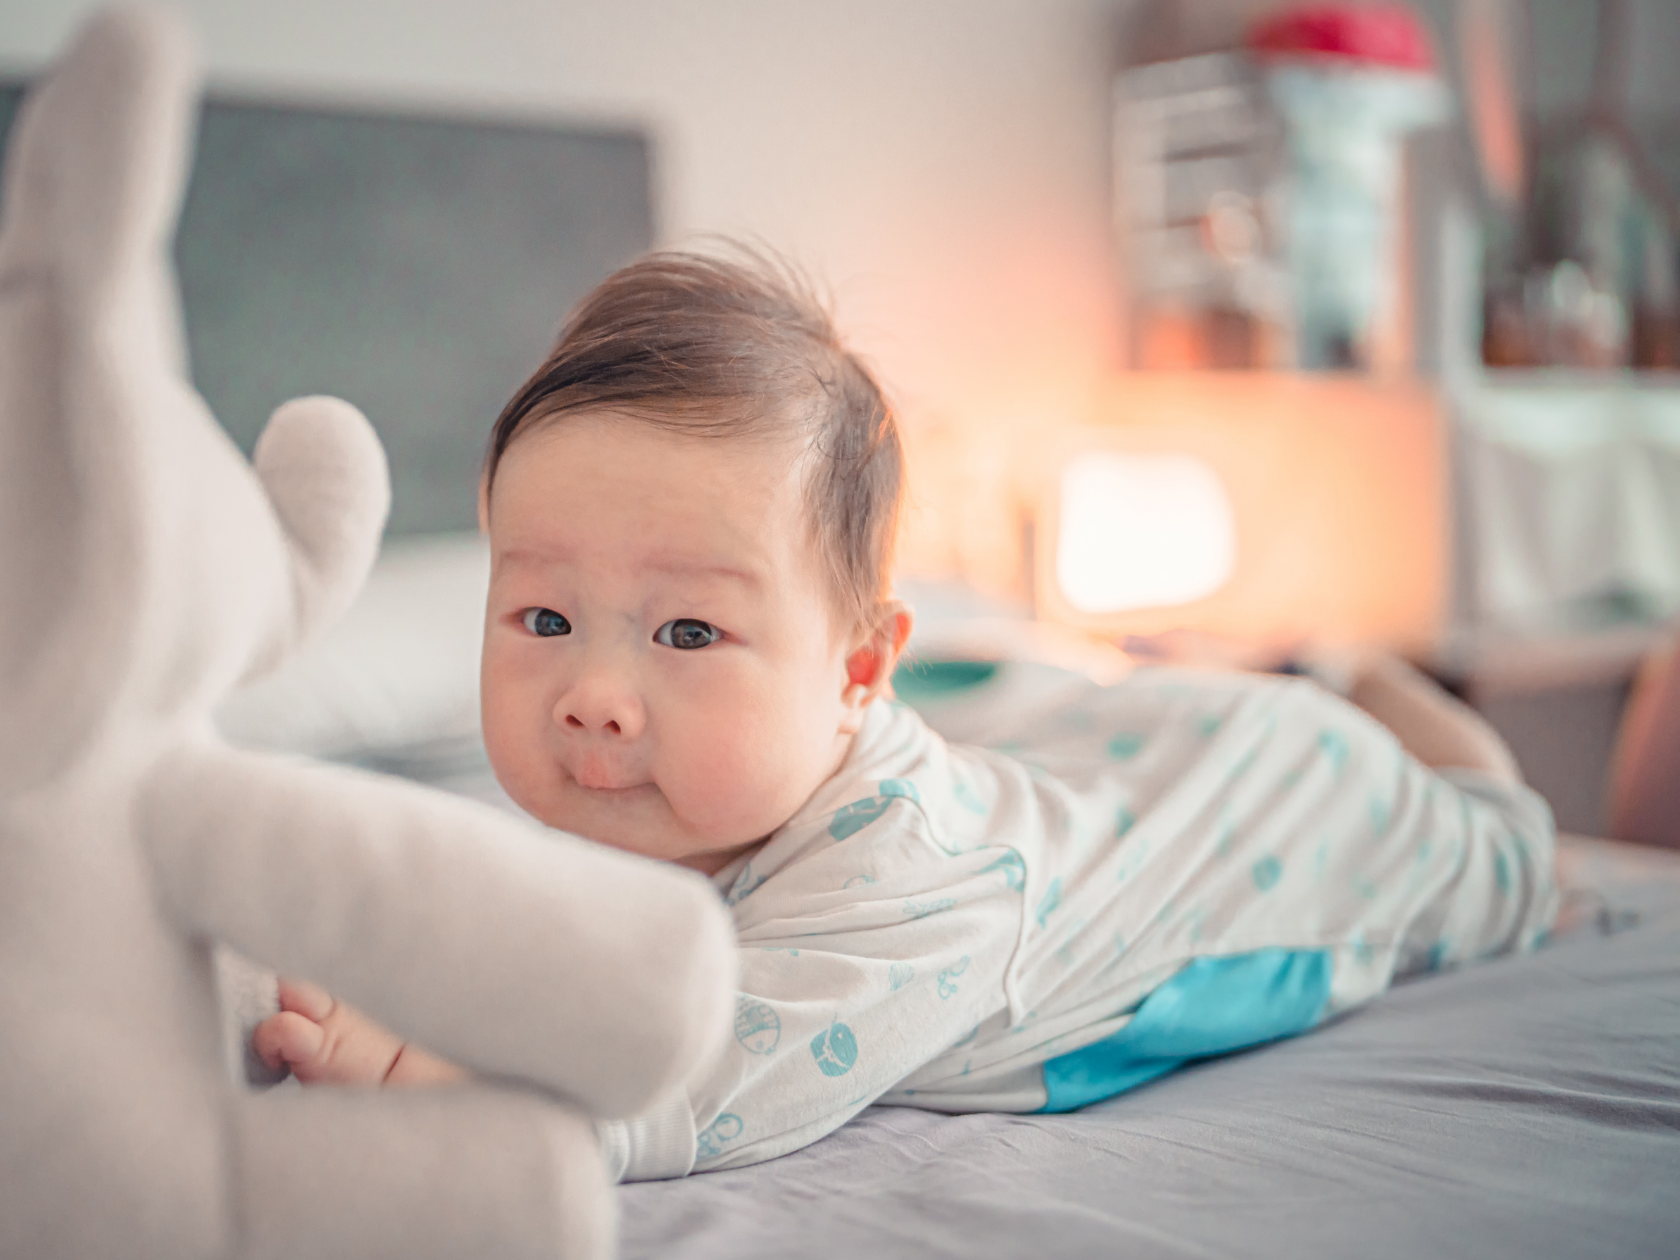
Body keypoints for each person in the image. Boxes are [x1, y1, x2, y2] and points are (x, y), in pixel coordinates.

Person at [251, 249, 1560, 1180]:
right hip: (1119, 758)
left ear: (860, 671)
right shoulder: (648, 793)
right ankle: (1338, 679)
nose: (592, 699)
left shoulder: (908, 884)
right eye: (541, 620)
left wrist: (443, 1083)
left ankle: (1378, 691)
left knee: (1501, 842)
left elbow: (704, 1085)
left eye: (690, 632)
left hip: (1293, 803)